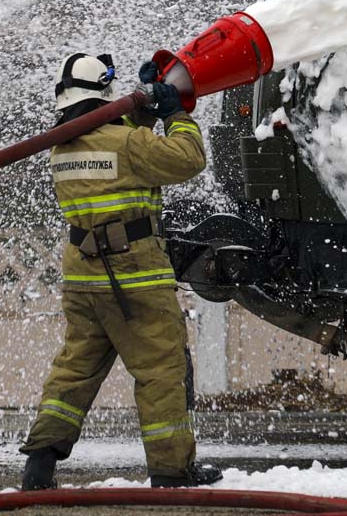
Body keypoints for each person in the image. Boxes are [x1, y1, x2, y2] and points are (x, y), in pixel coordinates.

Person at [20, 53, 222, 490]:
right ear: (105, 93)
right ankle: (172, 472)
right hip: (135, 278)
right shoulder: (127, 145)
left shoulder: (62, 147)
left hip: (83, 278)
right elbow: (188, 159)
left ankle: (39, 464)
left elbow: (118, 152)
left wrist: (142, 113)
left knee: (76, 369)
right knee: (161, 369)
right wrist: (174, 115)